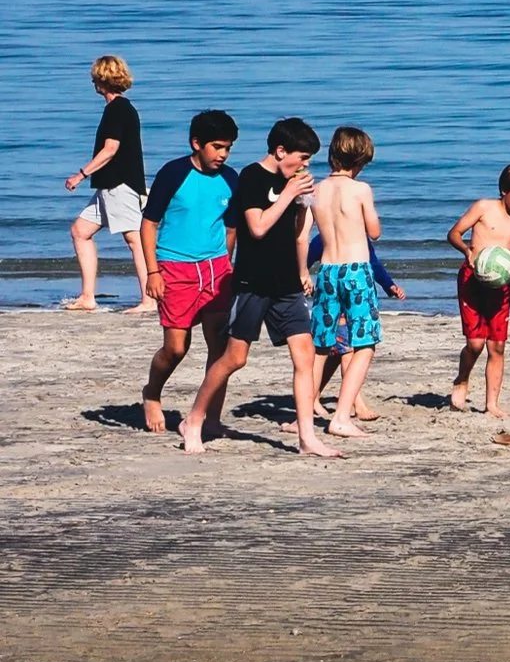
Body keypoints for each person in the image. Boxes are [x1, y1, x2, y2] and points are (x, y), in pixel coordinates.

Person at [180, 118, 332, 458]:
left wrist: (302, 205)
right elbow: (258, 227)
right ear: (280, 151)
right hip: (253, 283)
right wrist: (288, 194)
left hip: (286, 284)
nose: (306, 165)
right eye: (302, 157)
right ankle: (195, 419)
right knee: (235, 358)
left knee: (305, 356)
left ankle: (307, 437)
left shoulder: (291, 183)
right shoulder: (251, 177)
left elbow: (296, 233)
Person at [137, 109, 240, 433]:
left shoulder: (230, 179)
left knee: (219, 346)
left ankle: (211, 416)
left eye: (228, 148)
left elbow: (231, 229)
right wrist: (153, 272)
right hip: (174, 268)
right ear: (197, 143)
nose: (223, 155)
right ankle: (152, 393)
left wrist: (226, 266)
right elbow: (149, 224)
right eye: (217, 147)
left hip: (216, 269)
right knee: (176, 348)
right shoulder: (173, 173)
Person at [308, 127, 385, 440]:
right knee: (364, 343)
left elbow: (302, 234)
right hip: (355, 270)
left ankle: (305, 410)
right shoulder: (360, 189)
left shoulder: (316, 189)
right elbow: (374, 231)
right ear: (360, 160)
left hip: (327, 270)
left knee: (321, 345)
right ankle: (341, 415)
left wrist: (301, 270)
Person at [447, 162, 510, 419]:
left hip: (500, 285)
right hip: (472, 279)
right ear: (504, 190)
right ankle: (462, 379)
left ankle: (492, 404)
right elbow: (454, 233)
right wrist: (466, 250)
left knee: (497, 346)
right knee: (475, 344)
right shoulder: (483, 208)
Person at [63, 54, 148, 313]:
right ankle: (87, 297)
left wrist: (80, 175)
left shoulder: (118, 109)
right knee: (80, 231)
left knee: (135, 239)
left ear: (103, 80)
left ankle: (149, 299)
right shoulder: (118, 109)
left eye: (95, 78)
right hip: (108, 186)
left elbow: (110, 149)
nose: (93, 82)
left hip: (120, 185)